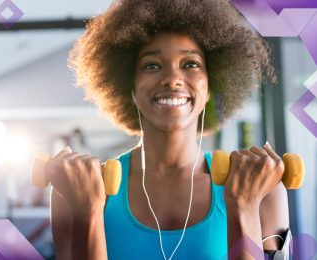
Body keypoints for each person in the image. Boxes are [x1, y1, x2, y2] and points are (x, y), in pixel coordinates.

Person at [47, 0, 290, 259]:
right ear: (129, 87)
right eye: (152, 65)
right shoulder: (71, 193)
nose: (173, 79)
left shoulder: (265, 190)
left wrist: (244, 206)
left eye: (190, 64)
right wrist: (88, 211)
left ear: (210, 85)